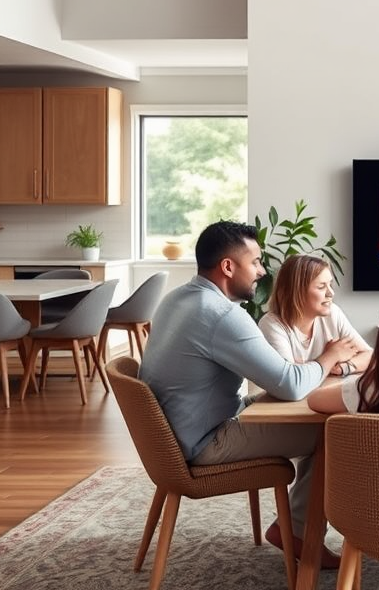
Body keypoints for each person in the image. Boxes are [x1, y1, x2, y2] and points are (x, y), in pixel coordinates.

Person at [139, 220, 360, 567]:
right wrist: (329, 356)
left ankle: (301, 526)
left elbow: (283, 381)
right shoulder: (221, 315)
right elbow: (289, 384)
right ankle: (301, 532)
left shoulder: (177, 298)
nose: (261, 271)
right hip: (205, 441)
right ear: (228, 267)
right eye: (255, 262)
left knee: (310, 412)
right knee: (333, 429)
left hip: (173, 439)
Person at [259, 254, 372, 377]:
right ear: (297, 292)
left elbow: (370, 356)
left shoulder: (333, 313)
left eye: (330, 284)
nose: (331, 293)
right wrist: (331, 356)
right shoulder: (271, 325)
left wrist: (343, 367)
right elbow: (291, 380)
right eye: (321, 286)